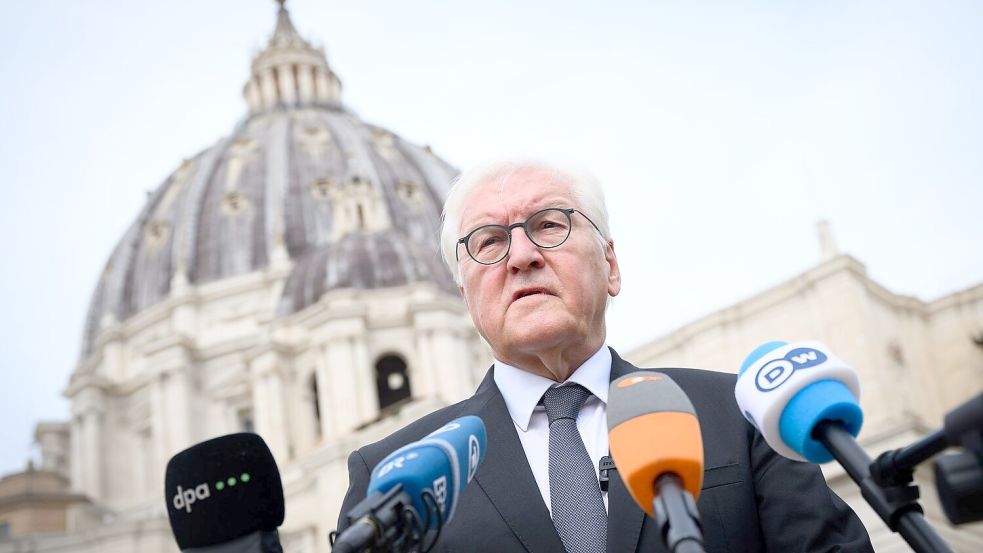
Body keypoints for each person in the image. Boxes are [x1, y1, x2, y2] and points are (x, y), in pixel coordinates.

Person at [336, 159, 874, 552]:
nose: (521, 256)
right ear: (465, 295)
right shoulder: (391, 475)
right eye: (489, 242)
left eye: (549, 224)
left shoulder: (740, 412)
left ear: (611, 265)